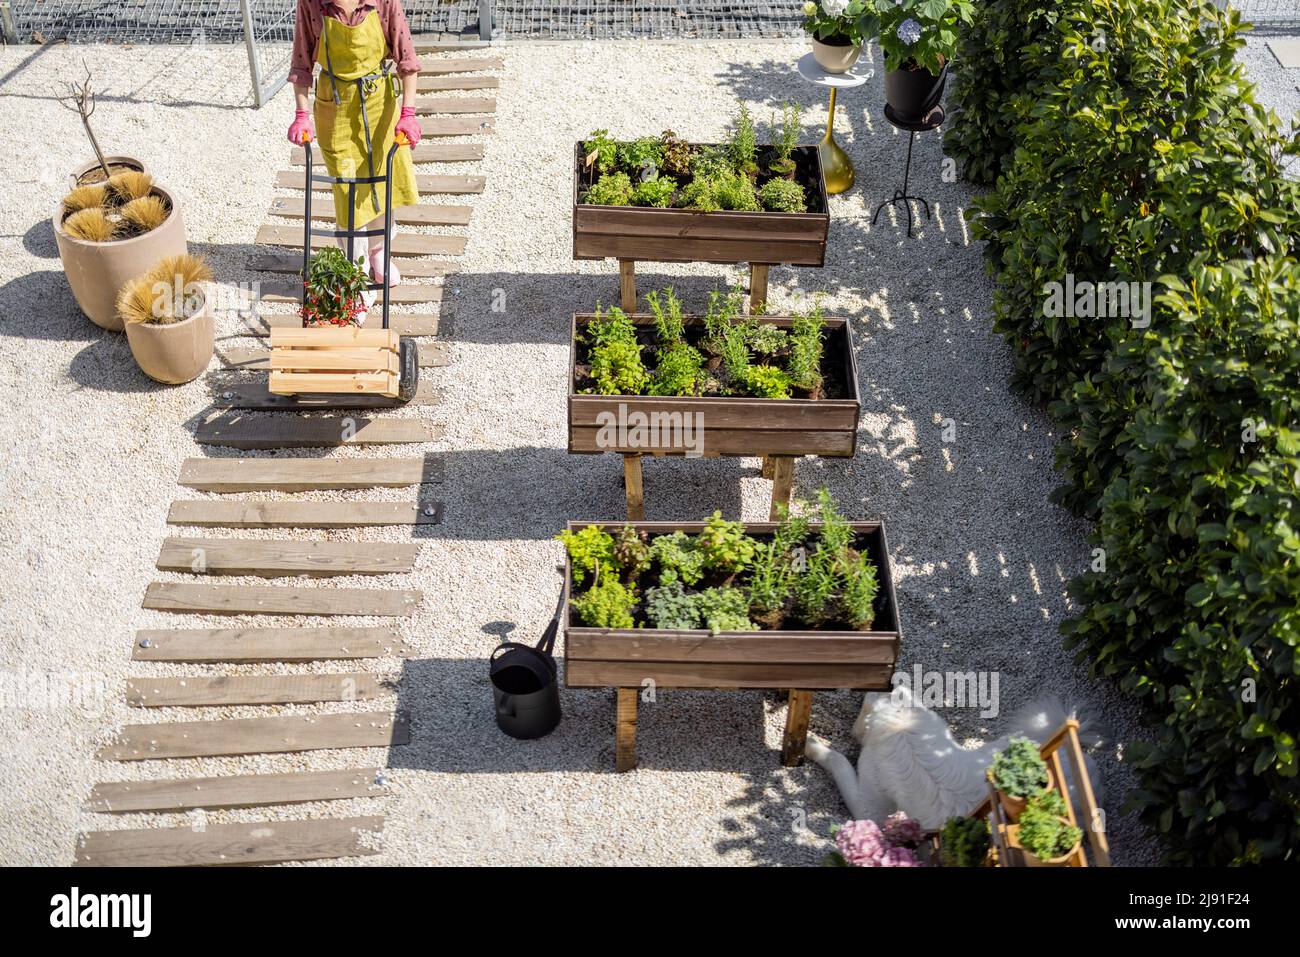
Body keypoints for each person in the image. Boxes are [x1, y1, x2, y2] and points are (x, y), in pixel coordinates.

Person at [287, 0, 423, 285]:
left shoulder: (383, 2)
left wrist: (408, 114)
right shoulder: (311, 4)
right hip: (335, 105)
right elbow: (302, 63)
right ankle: (355, 267)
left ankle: (378, 252)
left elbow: (407, 59)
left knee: (382, 181)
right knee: (348, 189)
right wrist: (301, 115)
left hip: (378, 104)